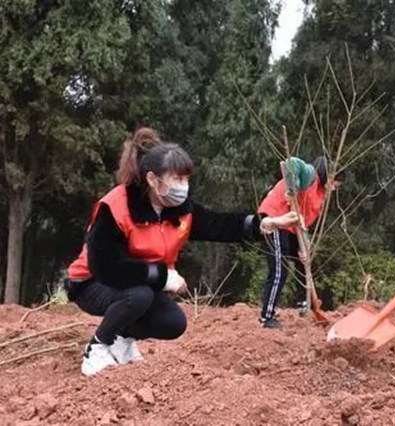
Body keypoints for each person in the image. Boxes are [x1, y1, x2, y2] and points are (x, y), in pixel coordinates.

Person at [66, 128, 298, 376]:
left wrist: (262, 224)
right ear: (153, 180)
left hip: (134, 285)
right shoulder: (115, 208)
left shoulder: (177, 210)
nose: (183, 187)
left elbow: (218, 224)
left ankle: (122, 340)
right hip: (90, 283)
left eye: (186, 179)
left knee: (173, 323)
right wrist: (163, 277)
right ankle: (98, 347)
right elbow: (106, 267)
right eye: (177, 179)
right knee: (142, 295)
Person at [257, 156, 345, 329]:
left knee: (303, 261)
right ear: (329, 176)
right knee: (279, 270)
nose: (334, 189)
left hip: (291, 226)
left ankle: (303, 303)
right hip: (275, 219)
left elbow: (304, 221)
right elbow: (292, 163)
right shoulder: (311, 177)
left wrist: (305, 246)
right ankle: (267, 318)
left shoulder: (320, 194)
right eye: (335, 184)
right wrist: (292, 190)